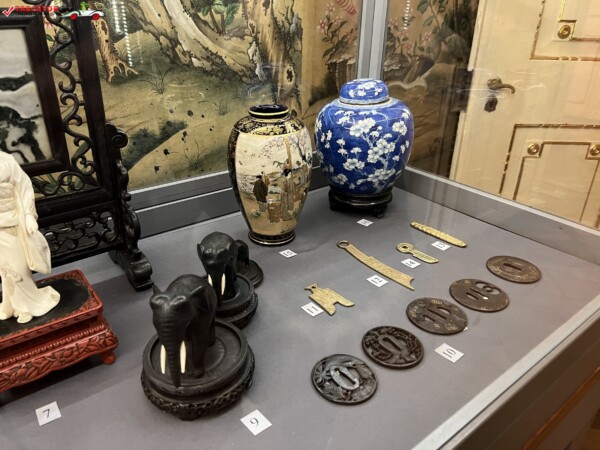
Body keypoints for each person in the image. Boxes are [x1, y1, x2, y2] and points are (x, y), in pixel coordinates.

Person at [0, 151, 59, 324]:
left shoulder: (6, 160)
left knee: (18, 268)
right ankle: (11, 305)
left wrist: (28, 215)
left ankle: (27, 305)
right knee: (5, 269)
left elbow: (24, 187)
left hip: (13, 223)